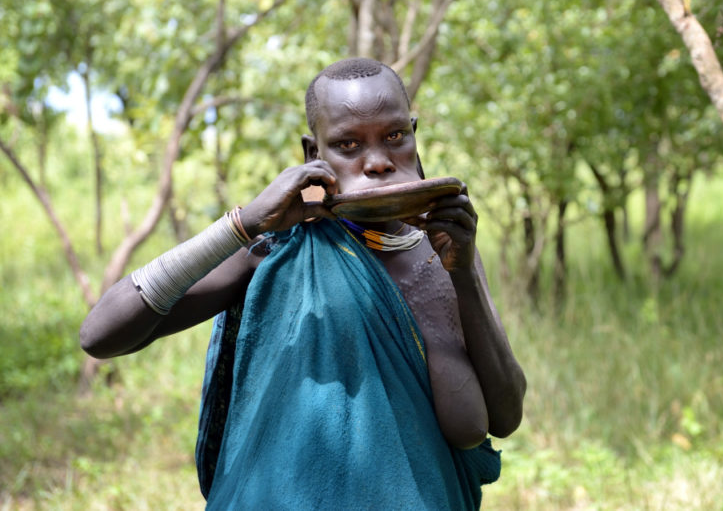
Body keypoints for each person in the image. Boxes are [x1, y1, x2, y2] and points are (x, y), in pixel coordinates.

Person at [79, 57, 526, 509]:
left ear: (414, 133)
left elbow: (504, 418)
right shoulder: (277, 248)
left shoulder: (447, 248)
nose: (376, 162)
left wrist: (464, 272)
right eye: (347, 144)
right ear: (314, 154)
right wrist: (243, 224)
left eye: (394, 137)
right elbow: (100, 334)